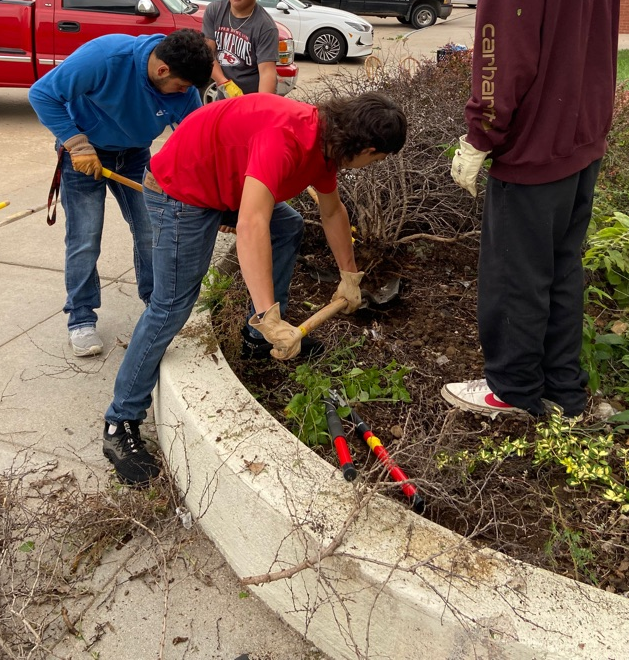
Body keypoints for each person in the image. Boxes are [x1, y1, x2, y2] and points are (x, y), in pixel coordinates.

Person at [101, 91, 407, 485]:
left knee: (289, 224)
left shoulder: (327, 144)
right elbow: (250, 225)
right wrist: (269, 313)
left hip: (223, 180)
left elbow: (332, 211)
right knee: (171, 305)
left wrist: (350, 277)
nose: (371, 166)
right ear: (365, 147)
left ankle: (253, 338)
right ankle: (120, 421)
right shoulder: (287, 138)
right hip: (181, 189)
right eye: (376, 159)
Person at [443, 0, 621, 419]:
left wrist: (479, 138)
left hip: (533, 150)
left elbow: (499, 60)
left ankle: (513, 391)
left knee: (515, 277)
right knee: (562, 270)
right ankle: (564, 393)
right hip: (582, 141)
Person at [29, 30, 214, 357]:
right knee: (85, 237)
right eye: (181, 86)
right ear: (162, 71)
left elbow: (197, 142)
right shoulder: (105, 57)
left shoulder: (184, 90)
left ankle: (155, 306)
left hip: (134, 155)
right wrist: (76, 142)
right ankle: (81, 317)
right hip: (84, 153)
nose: (185, 93)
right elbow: (42, 94)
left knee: (150, 231)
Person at [202, 0, 278, 98]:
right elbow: (207, 54)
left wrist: (261, 107)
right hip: (223, 99)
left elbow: (267, 72)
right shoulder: (214, 11)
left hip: (250, 101)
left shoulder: (265, 27)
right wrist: (224, 83)